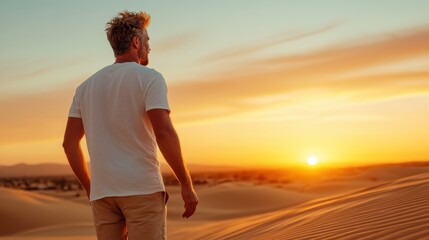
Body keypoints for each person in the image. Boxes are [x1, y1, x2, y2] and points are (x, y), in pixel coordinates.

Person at [62, 10, 198, 240]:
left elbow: (69, 143)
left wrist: (90, 187)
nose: (149, 47)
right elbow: (163, 133)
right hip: (141, 189)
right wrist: (186, 182)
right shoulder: (149, 78)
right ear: (136, 42)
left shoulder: (85, 87)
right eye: (147, 40)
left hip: (103, 195)